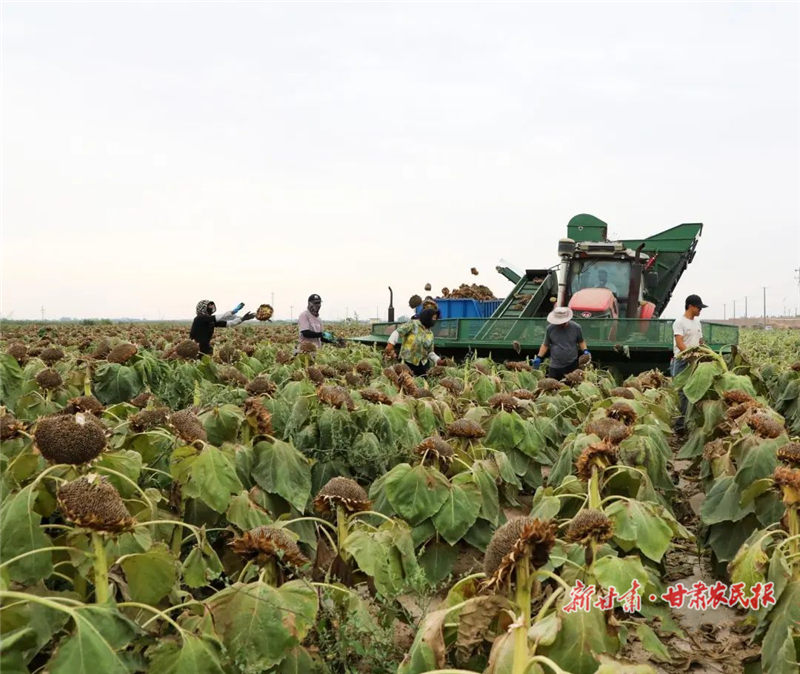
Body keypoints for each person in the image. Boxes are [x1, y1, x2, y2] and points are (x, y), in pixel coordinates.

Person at [671, 294, 708, 435]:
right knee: (683, 393)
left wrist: (706, 351)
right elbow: (680, 343)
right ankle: (680, 424)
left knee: (696, 390)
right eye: (699, 307)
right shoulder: (679, 322)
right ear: (690, 306)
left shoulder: (697, 323)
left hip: (695, 361)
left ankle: (690, 421)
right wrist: (691, 355)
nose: (700, 310)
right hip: (682, 361)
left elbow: (700, 341)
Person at [532, 307, 591, 379]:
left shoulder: (576, 328)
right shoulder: (550, 328)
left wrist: (585, 350)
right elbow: (545, 344)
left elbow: (581, 341)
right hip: (555, 365)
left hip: (571, 364)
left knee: (570, 385)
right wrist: (539, 357)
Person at [384, 307, 442, 376]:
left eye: (435, 318)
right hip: (408, 362)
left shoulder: (430, 334)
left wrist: (438, 360)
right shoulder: (413, 324)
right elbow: (398, 332)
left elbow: (430, 352)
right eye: (433, 318)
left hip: (422, 366)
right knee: (406, 382)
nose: (434, 320)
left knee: (421, 384)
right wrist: (390, 344)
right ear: (427, 317)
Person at [190, 300, 255, 355]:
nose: (212, 307)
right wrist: (232, 312)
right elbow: (219, 317)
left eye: (212, 305)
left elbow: (228, 323)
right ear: (203, 307)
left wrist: (242, 319)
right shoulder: (200, 318)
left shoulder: (210, 321)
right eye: (209, 306)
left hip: (206, 347)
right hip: (194, 347)